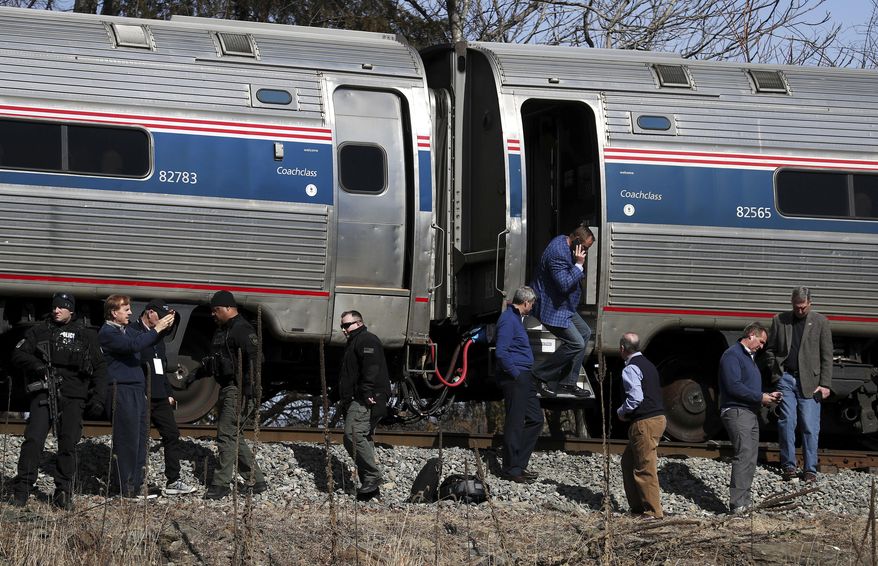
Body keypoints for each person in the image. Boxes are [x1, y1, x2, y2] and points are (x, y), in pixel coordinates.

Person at [9, 292, 107, 509]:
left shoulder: (86, 335)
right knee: (34, 440)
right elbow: (18, 354)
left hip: (74, 396)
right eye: (54, 307)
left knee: (68, 444)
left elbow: (101, 368)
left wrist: (99, 397)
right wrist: (38, 366)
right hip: (45, 393)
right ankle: (22, 489)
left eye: (62, 307)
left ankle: (63, 492)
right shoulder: (40, 330)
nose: (56, 310)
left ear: (71, 310)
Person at [99, 294, 175, 498]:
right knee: (127, 440)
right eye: (126, 310)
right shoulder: (108, 332)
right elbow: (133, 346)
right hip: (122, 390)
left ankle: (138, 483)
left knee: (140, 438)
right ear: (114, 313)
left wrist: (162, 328)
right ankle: (127, 488)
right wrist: (157, 329)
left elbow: (144, 342)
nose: (131, 313)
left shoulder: (125, 331)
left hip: (136, 390)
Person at [764, 287, 833, 482]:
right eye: (796, 307)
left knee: (810, 426)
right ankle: (789, 466)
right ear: (792, 303)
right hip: (786, 379)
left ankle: (810, 468)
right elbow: (771, 350)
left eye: (803, 307)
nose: (800, 311)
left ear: (810, 303)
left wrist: (825, 384)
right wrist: (777, 374)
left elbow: (827, 356)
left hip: (810, 382)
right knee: (787, 422)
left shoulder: (821, 322)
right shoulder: (779, 320)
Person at [203, 290, 267, 500]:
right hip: (227, 388)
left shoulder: (242, 329)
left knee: (226, 434)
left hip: (238, 389)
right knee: (234, 435)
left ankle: (220, 484)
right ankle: (256, 480)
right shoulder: (223, 330)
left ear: (229, 308)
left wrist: (250, 390)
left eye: (216, 310)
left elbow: (255, 360)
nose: (213, 314)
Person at [132, 299, 196, 496]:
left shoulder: (158, 337)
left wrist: (169, 393)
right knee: (139, 439)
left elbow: (161, 369)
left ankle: (173, 480)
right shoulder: (133, 333)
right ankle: (136, 482)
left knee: (171, 435)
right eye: (161, 316)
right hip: (141, 395)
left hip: (160, 396)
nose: (164, 322)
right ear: (150, 313)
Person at [719, 323, 782, 514]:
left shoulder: (748, 357)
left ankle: (744, 501)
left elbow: (745, 387)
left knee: (750, 456)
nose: (762, 346)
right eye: (761, 342)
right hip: (737, 411)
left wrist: (767, 396)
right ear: (751, 335)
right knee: (744, 454)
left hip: (748, 411)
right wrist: (759, 397)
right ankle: (737, 504)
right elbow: (733, 386)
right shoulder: (733, 355)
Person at [530, 224, 595, 398]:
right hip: (552, 309)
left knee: (585, 333)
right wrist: (579, 265)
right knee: (576, 343)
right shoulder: (558, 254)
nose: (586, 252)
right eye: (586, 248)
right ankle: (539, 375)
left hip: (563, 306)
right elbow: (564, 284)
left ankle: (568, 383)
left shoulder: (564, 241)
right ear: (577, 241)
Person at [338, 310, 391, 498]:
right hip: (358, 397)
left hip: (366, 398)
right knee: (364, 437)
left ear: (359, 323)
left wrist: (367, 391)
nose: (344, 329)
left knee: (353, 434)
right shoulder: (355, 342)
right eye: (342, 326)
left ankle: (373, 476)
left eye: (347, 325)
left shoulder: (366, 340)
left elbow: (372, 367)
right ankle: (370, 489)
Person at [495, 286, 543, 483]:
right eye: (531, 304)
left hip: (525, 376)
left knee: (536, 419)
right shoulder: (508, 320)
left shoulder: (515, 319)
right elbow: (501, 352)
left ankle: (519, 463)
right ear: (525, 302)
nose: (531, 308)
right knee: (515, 423)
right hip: (517, 377)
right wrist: (515, 374)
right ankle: (511, 469)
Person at [616, 333, 666, 519]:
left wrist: (621, 412)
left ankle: (653, 512)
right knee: (628, 463)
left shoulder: (631, 368)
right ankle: (637, 508)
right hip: (657, 418)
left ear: (622, 349)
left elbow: (636, 398)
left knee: (645, 466)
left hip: (644, 421)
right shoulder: (648, 365)